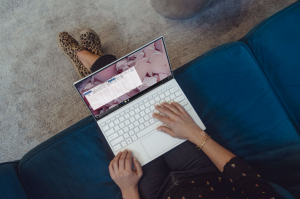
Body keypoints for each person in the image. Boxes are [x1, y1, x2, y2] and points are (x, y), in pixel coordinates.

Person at [57, 29, 285, 199]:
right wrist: (196, 134)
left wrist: (128, 189)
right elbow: (243, 176)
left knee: (112, 113)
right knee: (151, 97)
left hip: (156, 193)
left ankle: (89, 60)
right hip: (204, 173)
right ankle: (94, 62)